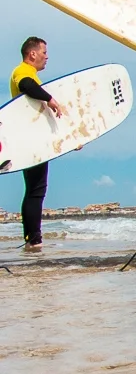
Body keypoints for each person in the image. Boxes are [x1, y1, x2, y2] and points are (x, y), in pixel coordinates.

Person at [9, 37, 63, 251]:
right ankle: (34, 240)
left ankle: (33, 238)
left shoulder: (31, 75)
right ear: (32, 54)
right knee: (35, 190)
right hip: (30, 142)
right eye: (44, 52)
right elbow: (26, 85)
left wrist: (70, 140)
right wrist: (49, 98)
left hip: (34, 140)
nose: (47, 56)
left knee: (35, 189)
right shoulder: (22, 71)